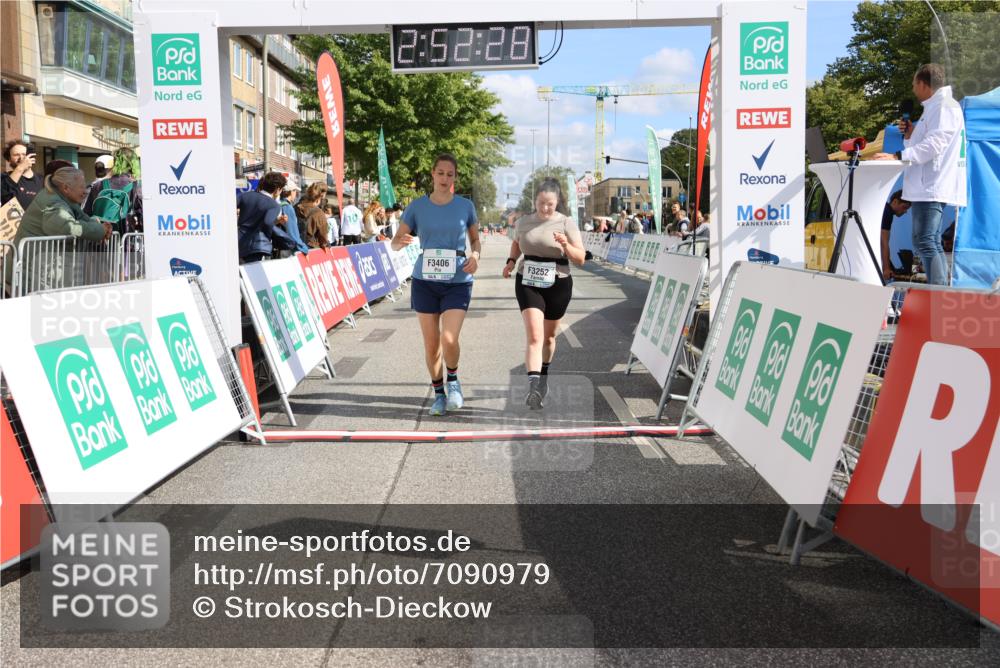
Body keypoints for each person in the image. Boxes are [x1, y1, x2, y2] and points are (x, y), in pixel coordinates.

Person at [391, 153, 480, 416]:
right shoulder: (417, 207)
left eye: (450, 174)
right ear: (432, 174)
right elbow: (396, 241)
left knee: (449, 338)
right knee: (432, 344)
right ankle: (438, 394)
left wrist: (475, 256)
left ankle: (453, 382)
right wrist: (401, 242)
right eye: (440, 173)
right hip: (425, 281)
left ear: (455, 177)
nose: (444, 178)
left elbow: (475, 241)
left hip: (457, 280)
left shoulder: (465, 206)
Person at [873, 63, 966, 285]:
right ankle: (939, 290)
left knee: (925, 239)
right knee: (928, 239)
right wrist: (910, 135)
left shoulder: (944, 107)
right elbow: (928, 142)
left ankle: (939, 292)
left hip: (932, 185)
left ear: (924, 84)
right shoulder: (934, 108)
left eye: (915, 84)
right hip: (928, 185)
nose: (913, 89)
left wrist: (898, 155)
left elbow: (935, 145)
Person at [502, 178, 586, 409]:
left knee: (549, 338)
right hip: (528, 279)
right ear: (535, 200)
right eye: (541, 203)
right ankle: (533, 387)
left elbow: (581, 259)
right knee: (535, 336)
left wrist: (565, 245)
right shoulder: (523, 222)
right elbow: (517, 244)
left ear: (557, 201)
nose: (545, 208)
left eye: (550, 204)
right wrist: (511, 262)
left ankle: (543, 376)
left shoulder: (566, 223)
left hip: (558, 281)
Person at [8, 167, 113, 290]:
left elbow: (82, 217)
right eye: (81, 187)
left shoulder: (61, 197)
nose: (85, 191)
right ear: (66, 188)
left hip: (38, 271)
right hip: (30, 275)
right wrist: (100, 231)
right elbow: (68, 227)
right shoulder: (53, 202)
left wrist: (100, 227)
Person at [237, 171, 295, 263]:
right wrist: (267, 239)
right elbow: (267, 222)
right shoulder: (273, 205)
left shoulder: (246, 195)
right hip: (255, 246)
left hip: (237, 240)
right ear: (277, 189)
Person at [84, 147, 143, 233]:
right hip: (126, 240)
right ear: (133, 164)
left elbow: (87, 213)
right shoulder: (137, 186)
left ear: (115, 163)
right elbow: (143, 217)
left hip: (101, 239)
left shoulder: (98, 186)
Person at [879, 190, 912, 281]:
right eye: (904, 207)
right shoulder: (887, 212)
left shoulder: (884, 209)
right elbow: (883, 243)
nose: (905, 211)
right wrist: (886, 269)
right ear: (895, 201)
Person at [2, 141, 43, 209]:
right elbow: (4, 194)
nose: (21, 158)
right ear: (9, 159)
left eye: (24, 154)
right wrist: (21, 167)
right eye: (16, 155)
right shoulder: (4, 178)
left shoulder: (43, 180)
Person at [295, 182, 331, 250]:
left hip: (296, 246)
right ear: (320, 197)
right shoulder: (319, 213)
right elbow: (323, 236)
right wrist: (325, 244)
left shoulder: (296, 207)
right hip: (311, 248)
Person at [278, 180, 309, 255]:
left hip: (280, 245)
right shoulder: (287, 207)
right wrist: (303, 248)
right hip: (288, 247)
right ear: (291, 191)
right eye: (295, 192)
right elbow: (292, 231)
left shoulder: (279, 203)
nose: (296, 194)